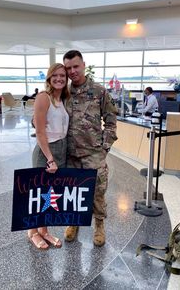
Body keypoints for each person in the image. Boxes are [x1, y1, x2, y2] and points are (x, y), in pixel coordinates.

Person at [63, 50, 118, 247]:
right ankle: (73, 223)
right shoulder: (63, 92)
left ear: (83, 65)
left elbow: (111, 121)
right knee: (72, 192)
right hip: (70, 155)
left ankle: (99, 226)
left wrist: (104, 148)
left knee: (97, 193)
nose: (72, 71)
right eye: (68, 68)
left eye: (75, 66)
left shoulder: (99, 91)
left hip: (93, 155)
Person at [28, 63, 70, 250]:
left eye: (63, 75)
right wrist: (50, 158)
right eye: (55, 75)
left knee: (49, 194)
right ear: (49, 78)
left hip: (61, 148)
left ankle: (43, 230)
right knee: (38, 192)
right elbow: (39, 132)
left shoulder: (62, 99)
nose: (59, 78)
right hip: (46, 150)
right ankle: (32, 232)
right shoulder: (43, 97)